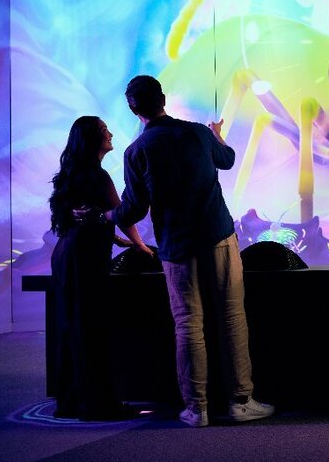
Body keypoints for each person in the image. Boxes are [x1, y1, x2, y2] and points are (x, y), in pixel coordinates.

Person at [101, 74, 274, 428]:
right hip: (217, 236)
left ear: (134, 109)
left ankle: (197, 409)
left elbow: (133, 209)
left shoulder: (136, 152)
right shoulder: (197, 132)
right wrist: (216, 134)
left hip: (176, 247)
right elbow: (226, 159)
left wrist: (107, 214)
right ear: (162, 98)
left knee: (187, 325)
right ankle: (241, 401)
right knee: (231, 318)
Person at [49, 116, 153, 420]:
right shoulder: (97, 174)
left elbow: (88, 218)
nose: (110, 133)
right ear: (92, 139)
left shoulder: (75, 173)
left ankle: (70, 402)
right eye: (104, 130)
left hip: (68, 255)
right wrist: (139, 243)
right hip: (85, 260)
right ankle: (99, 404)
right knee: (92, 328)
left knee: (73, 327)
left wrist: (118, 239)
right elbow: (121, 212)